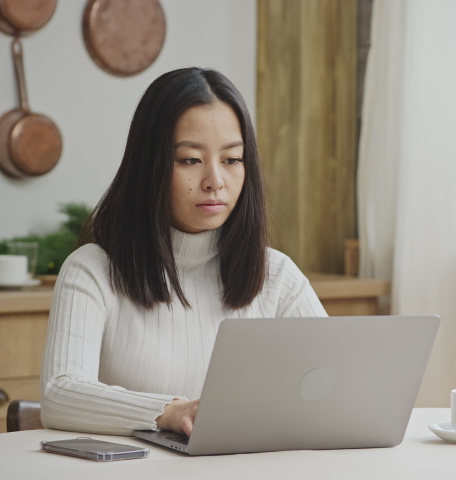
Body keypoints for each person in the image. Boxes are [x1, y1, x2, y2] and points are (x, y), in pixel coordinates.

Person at [40, 68, 327, 438]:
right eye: (190, 160)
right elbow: (59, 394)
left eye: (232, 160)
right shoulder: (92, 270)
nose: (215, 181)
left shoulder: (277, 275)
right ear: (150, 167)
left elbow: (337, 386)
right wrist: (170, 412)